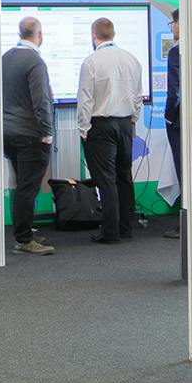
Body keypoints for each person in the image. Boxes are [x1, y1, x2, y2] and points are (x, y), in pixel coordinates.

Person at [75, 17, 144, 246]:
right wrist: (131, 121)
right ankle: (126, 228)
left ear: (94, 36)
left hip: (100, 126)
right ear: (113, 34)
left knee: (106, 180)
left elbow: (85, 100)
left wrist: (84, 129)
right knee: (124, 177)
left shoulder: (91, 62)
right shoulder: (132, 60)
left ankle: (110, 232)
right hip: (125, 124)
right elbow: (138, 98)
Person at [0, 16, 56, 256]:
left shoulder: (6, 57)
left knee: (21, 186)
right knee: (27, 188)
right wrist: (47, 132)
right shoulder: (34, 61)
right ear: (39, 35)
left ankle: (24, 232)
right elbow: (41, 100)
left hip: (8, 132)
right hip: (30, 134)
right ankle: (23, 239)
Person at [163, 8, 183, 241]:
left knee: (184, 171)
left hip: (180, 121)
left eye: (173, 23)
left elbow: (175, 91)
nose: (172, 27)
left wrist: (169, 117)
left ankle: (186, 226)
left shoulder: (177, 52)